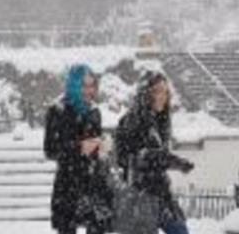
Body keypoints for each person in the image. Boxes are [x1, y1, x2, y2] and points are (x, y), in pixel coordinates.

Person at [114, 70, 195, 234]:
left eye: (165, 91)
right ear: (146, 93)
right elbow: (137, 157)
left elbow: (156, 155)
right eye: (157, 91)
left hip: (161, 192)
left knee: (180, 230)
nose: (163, 96)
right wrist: (174, 161)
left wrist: (168, 160)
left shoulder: (161, 120)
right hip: (139, 194)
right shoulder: (132, 120)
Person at [44, 64, 115, 234]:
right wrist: (79, 147)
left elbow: (94, 144)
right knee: (67, 228)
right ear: (74, 85)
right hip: (68, 184)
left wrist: (102, 147)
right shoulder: (57, 110)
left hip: (93, 183)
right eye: (84, 85)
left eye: (91, 86)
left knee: (98, 227)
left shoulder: (94, 111)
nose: (88, 91)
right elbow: (50, 149)